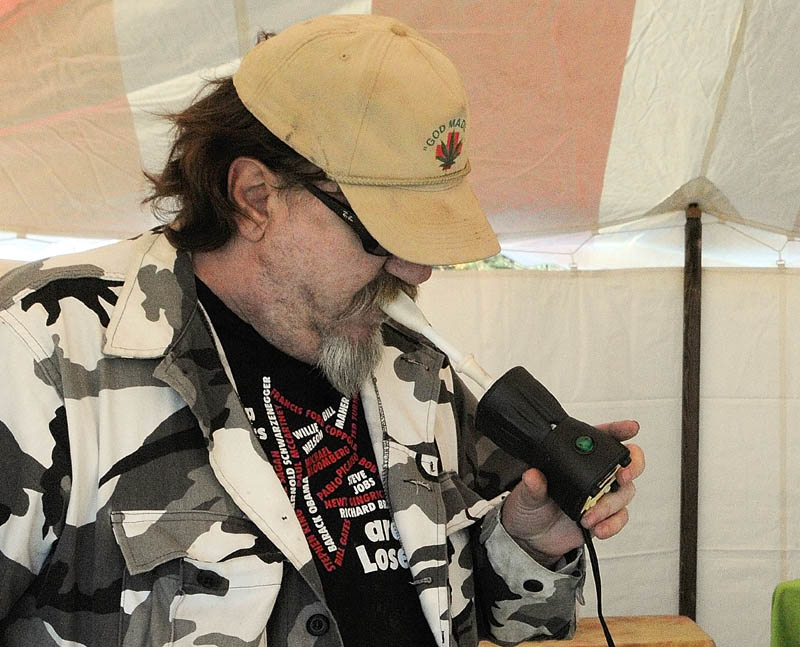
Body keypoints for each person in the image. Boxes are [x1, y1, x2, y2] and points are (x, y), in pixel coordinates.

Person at [0, 13, 643, 647]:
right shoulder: (43, 349)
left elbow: (502, 619)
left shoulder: (411, 362)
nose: (415, 269)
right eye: (381, 231)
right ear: (256, 195)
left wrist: (530, 540)